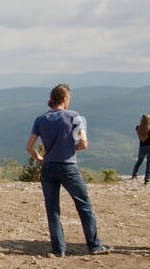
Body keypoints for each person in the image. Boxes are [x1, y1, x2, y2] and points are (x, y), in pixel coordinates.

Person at [27, 84, 110, 257]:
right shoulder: (74, 116)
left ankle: (59, 249)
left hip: (48, 167)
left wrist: (40, 157)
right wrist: (69, 149)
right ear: (65, 99)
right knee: (84, 205)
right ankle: (94, 245)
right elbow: (83, 144)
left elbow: (29, 147)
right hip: (68, 166)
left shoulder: (40, 119)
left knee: (53, 209)